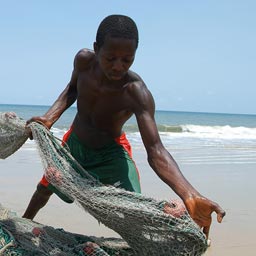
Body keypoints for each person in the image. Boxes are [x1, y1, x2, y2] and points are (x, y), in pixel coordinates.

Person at [22, 14, 225, 238]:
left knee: (135, 209)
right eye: (110, 58)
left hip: (112, 154)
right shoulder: (83, 61)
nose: (118, 66)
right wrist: (50, 117)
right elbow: (72, 89)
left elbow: (156, 149)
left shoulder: (136, 92)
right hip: (75, 145)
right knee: (43, 190)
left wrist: (190, 194)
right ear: (96, 49)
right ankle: (21, 226)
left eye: (127, 60)